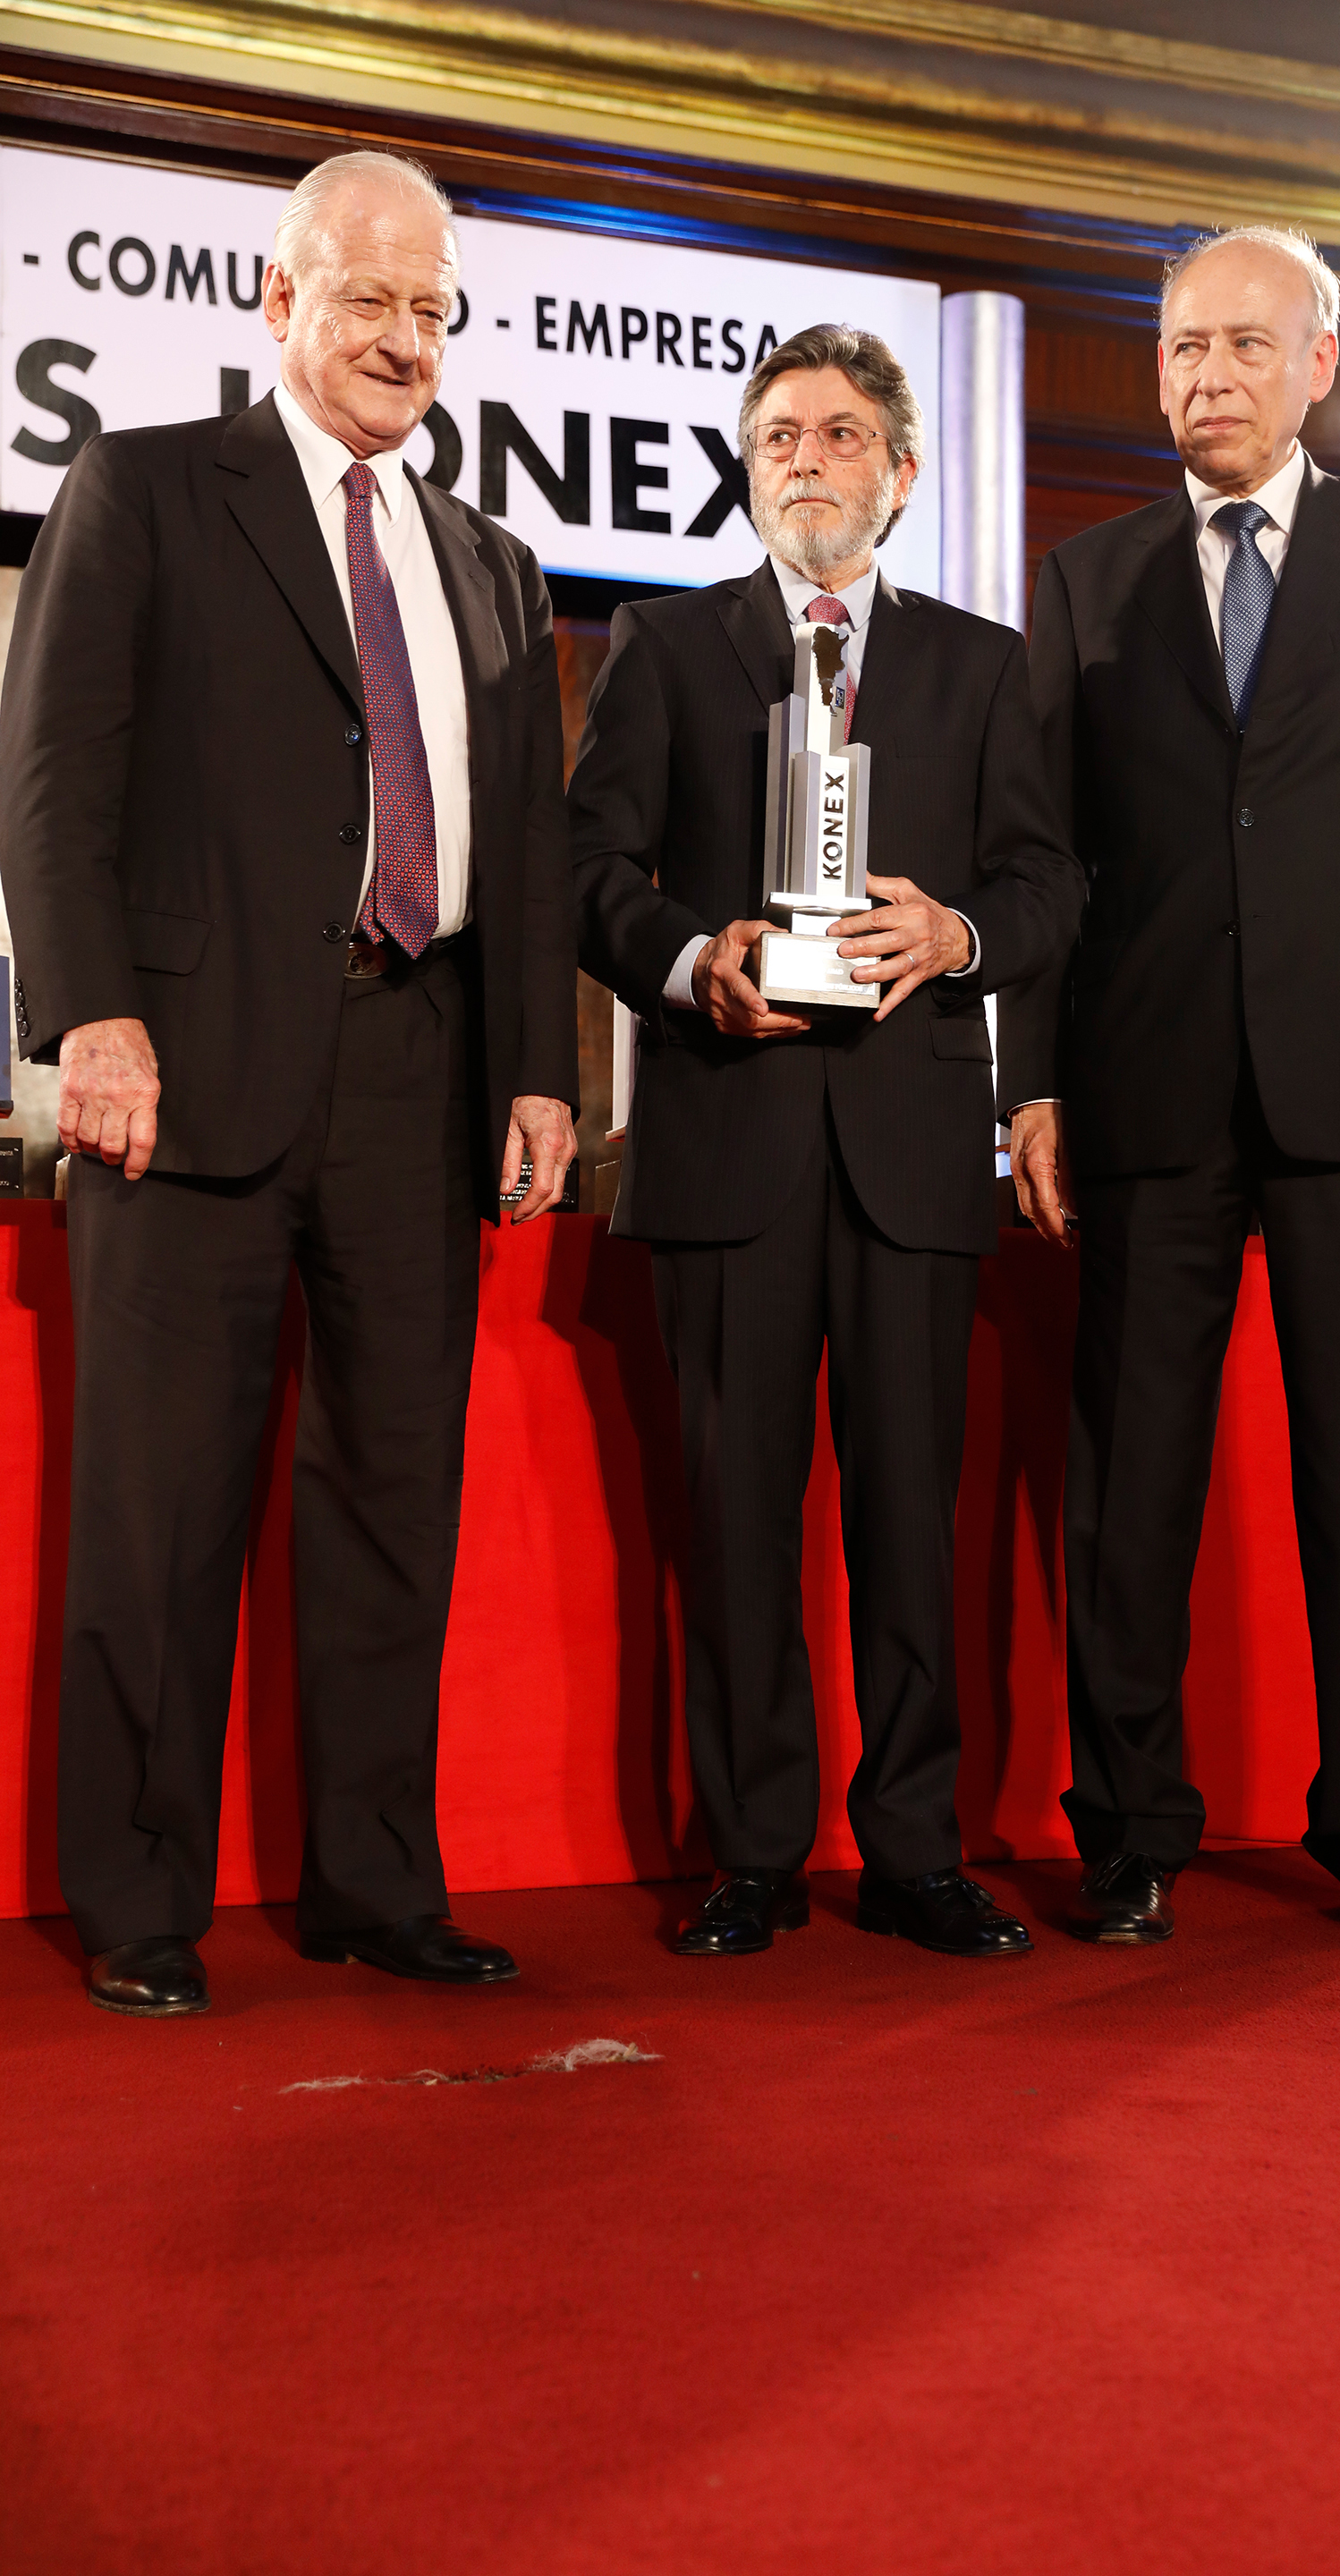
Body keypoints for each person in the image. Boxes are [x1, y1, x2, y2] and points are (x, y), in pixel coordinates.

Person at [0, 151, 578, 2016]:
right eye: (370, 299)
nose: (405, 337)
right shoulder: (152, 488)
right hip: (184, 1069)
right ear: (281, 301)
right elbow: (53, 780)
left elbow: (534, 854)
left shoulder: (492, 559)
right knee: (159, 1503)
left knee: (395, 1494)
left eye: (432, 309)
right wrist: (90, 1020)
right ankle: (143, 1901)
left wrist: (540, 1071)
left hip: (419, 1067)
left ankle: (374, 1882)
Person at [1005, 225, 1340, 1949]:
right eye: (1178, 352)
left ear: (1318, 362)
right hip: (1143, 1079)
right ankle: (1132, 1830)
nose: (1203, 378)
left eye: (1240, 346)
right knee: (1129, 1478)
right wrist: (1037, 1087)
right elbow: (1044, 856)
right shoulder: (1087, 579)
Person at [569, 324, 1084, 1959]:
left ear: (903, 473)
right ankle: (753, 1851)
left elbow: (1052, 889)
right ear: (747, 466)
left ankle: (917, 1849)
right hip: (727, 1141)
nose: (810, 456)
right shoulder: (665, 649)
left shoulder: (984, 666)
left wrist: (958, 939)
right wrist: (686, 957)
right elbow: (588, 870)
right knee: (733, 1522)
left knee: (906, 1523)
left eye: (846, 432)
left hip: (913, 1155)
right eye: (781, 431)